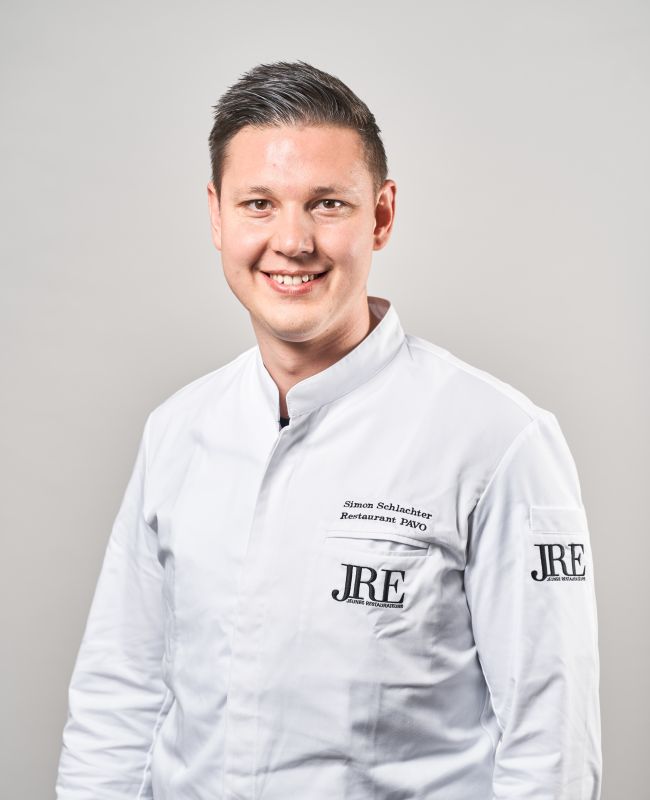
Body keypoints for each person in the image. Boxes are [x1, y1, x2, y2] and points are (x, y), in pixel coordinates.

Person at [56, 60, 602, 799]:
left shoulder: (500, 441)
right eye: (258, 203)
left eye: (327, 205)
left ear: (381, 215)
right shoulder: (176, 431)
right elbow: (117, 701)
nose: (292, 240)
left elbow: (553, 751)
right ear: (217, 215)